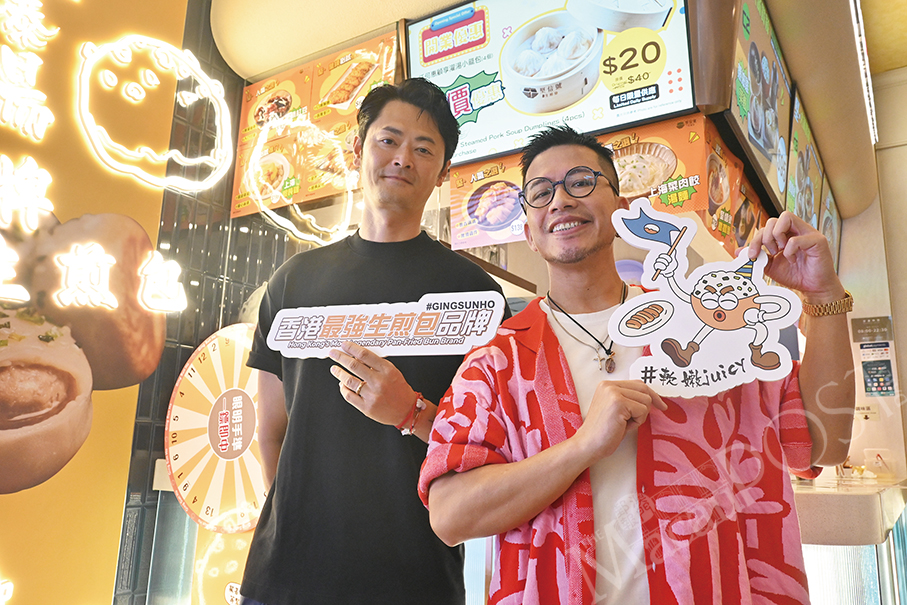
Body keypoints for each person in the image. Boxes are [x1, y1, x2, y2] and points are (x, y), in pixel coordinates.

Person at [419, 125, 855, 604]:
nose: (560, 200)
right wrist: (582, 446)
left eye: (581, 182)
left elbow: (825, 441)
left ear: (621, 210)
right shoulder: (496, 362)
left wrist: (823, 296)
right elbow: (449, 515)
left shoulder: (700, 323)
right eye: (541, 193)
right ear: (530, 232)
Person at [241, 78, 507, 604]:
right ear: (358, 148)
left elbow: (491, 449)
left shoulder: (476, 295)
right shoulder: (292, 282)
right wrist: (295, 526)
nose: (403, 158)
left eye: (424, 149)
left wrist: (411, 411)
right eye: (389, 140)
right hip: (283, 579)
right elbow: (271, 430)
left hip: (414, 580)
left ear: (442, 172)